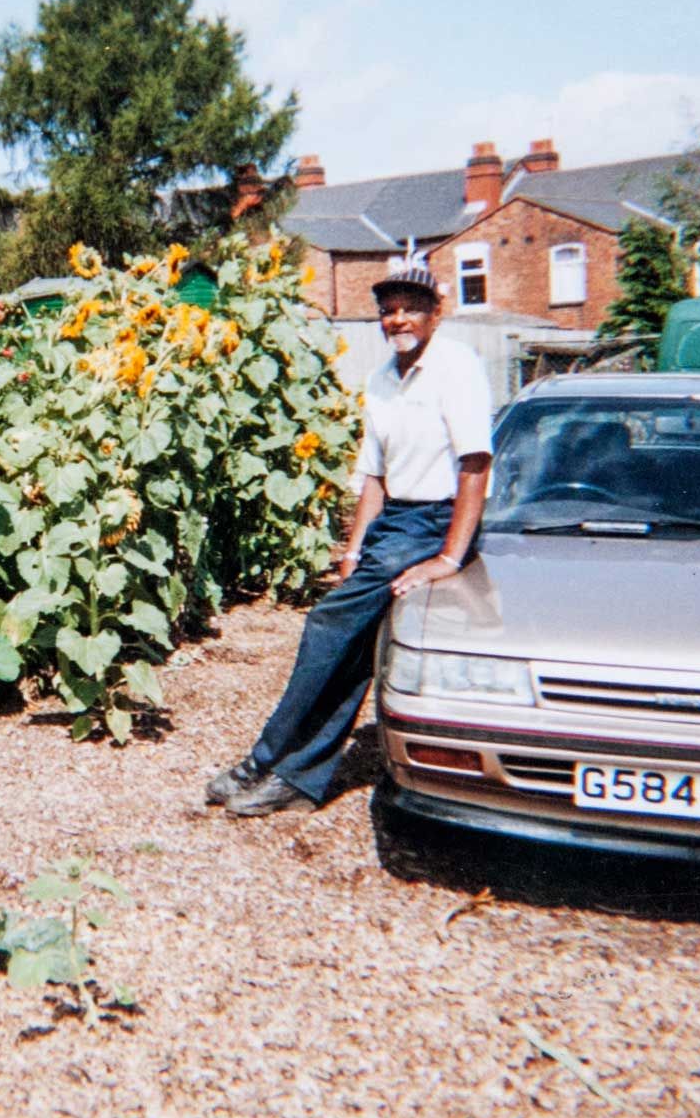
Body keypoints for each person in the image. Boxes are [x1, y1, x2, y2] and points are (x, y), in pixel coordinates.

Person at [206, 264, 493, 817]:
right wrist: (356, 548)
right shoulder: (383, 377)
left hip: (435, 519)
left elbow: (475, 465)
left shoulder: (457, 367)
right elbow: (375, 477)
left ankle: (263, 760)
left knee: (327, 623)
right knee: (352, 647)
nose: (398, 318)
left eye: (411, 306)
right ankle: (299, 778)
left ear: (436, 312)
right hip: (395, 522)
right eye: (388, 310)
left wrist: (450, 557)